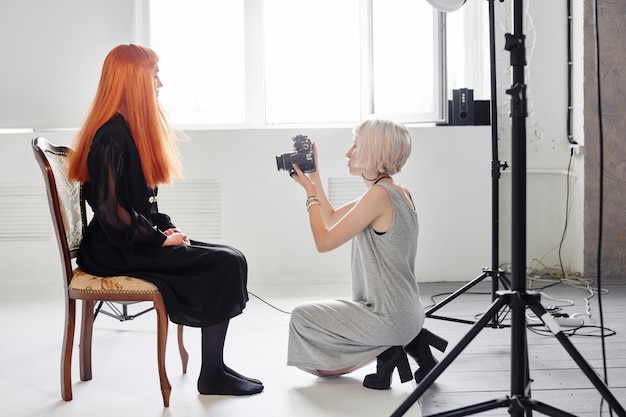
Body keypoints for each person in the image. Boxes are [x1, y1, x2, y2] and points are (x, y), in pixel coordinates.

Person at [67, 44, 263, 396]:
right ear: (134, 81)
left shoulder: (125, 131)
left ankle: (215, 369)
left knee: (230, 256)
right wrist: (158, 240)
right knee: (224, 263)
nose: (161, 83)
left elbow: (141, 204)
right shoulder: (111, 137)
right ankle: (212, 374)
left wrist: (165, 229)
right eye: (155, 75)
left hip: (127, 241)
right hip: (115, 248)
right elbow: (110, 210)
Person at [286, 119, 448, 389]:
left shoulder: (378, 197)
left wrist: (310, 195)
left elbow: (324, 241)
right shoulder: (394, 191)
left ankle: (389, 346)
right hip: (407, 312)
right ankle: (406, 344)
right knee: (324, 368)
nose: (348, 153)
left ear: (375, 153)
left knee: (301, 318)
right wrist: (314, 179)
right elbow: (332, 217)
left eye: (355, 146)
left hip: (388, 316)